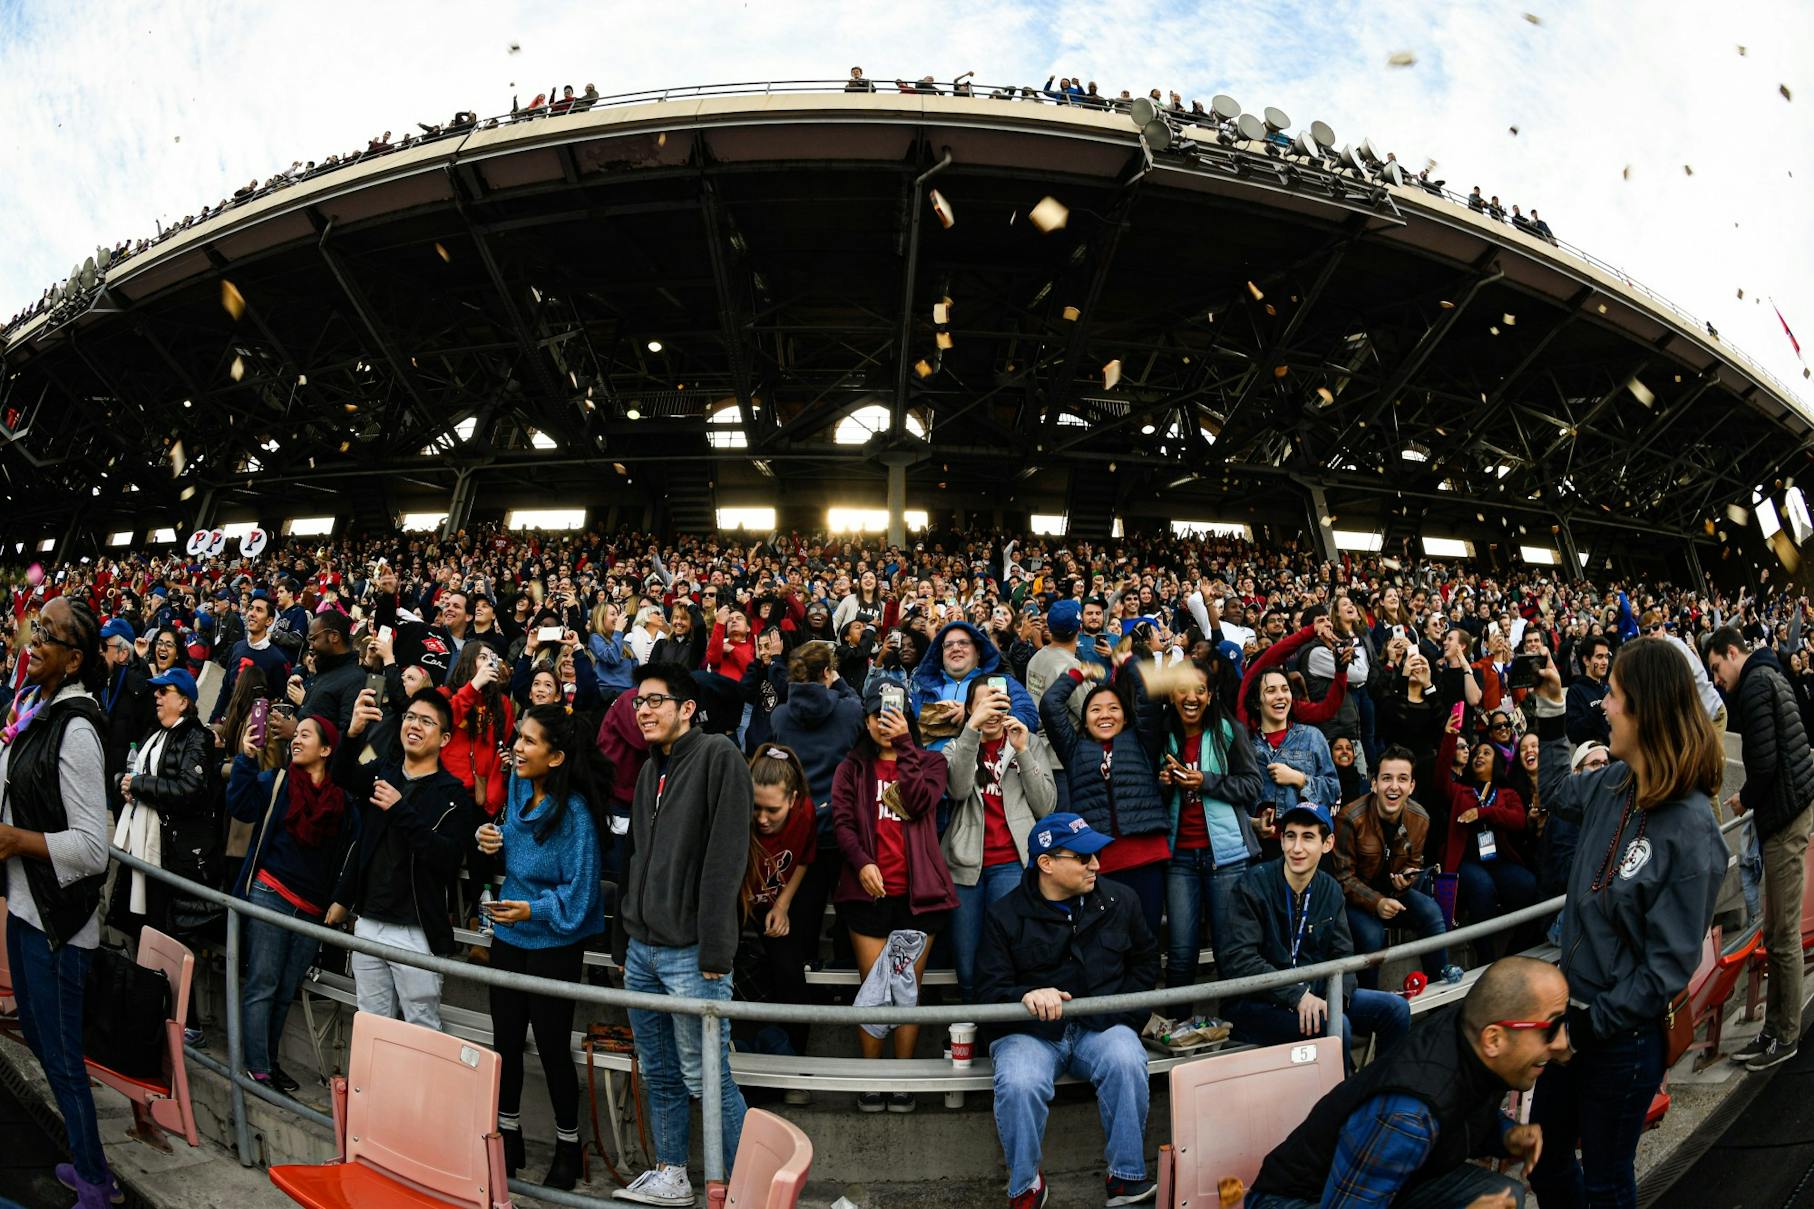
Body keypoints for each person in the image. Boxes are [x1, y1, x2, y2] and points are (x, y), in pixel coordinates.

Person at [1527, 640, 1726, 1208]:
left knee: (1609, 1182)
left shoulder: (1691, 829)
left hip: (1620, 1042)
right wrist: (1549, 708)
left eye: (1612, 696)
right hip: (1571, 1020)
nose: (1604, 707)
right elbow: (1558, 792)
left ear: (1645, 708)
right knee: (1545, 1165)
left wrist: (1587, 1030)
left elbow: (1664, 972)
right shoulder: (1613, 782)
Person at [1248, 956, 1563, 1209]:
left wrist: (1507, 1136)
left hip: (1398, 1180)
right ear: (1494, 1038)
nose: (1561, 1043)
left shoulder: (1475, 1035)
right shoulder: (1407, 1118)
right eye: (1550, 1029)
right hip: (1295, 1201)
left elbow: (1460, 1111)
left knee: (1503, 1191)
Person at [613, 663, 750, 1206]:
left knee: (707, 1076)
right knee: (661, 1072)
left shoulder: (720, 756)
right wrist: (626, 935)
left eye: (653, 701)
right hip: (643, 949)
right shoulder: (651, 768)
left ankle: (748, 1185)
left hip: (694, 953)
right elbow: (638, 857)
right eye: (637, 702)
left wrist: (717, 945)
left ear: (686, 708)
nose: (641, 710)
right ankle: (673, 1173)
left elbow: (725, 857)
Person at [975, 813, 1159, 1209]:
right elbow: (987, 992)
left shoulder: (1120, 899)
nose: (1096, 864)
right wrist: (1026, 995)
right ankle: (1026, 1187)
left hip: (1101, 1028)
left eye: (1095, 855)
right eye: (1083, 857)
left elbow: (1145, 966)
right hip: (1031, 1034)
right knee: (1019, 1081)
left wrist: (1123, 1021)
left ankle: (1126, 1180)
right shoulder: (1003, 914)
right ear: (1046, 863)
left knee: (1126, 1057)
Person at [0, 597, 119, 1208]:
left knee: (65, 1064)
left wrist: (17, 839)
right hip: (26, 914)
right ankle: (88, 1166)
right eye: (35, 624)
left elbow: (94, 848)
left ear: (74, 659)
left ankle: (97, 1184)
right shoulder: (34, 710)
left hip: (58, 929)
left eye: (51, 632)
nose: (35, 635)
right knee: (47, 1051)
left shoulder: (75, 729)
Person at [473, 704, 607, 1191]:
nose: (517, 748)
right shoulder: (516, 785)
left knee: (552, 1048)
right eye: (518, 737)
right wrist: (491, 837)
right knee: (505, 1043)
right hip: (509, 935)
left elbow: (582, 892)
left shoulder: (575, 815)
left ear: (556, 757)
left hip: (554, 943)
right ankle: (508, 1137)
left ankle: (569, 1147)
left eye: (529, 741)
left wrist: (535, 911)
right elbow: (515, 841)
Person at [832, 680, 955, 1112]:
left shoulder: (932, 761)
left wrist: (905, 743)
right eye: (877, 716)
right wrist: (864, 862)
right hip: (867, 895)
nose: (884, 723)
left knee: (906, 988)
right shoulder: (852, 767)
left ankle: (902, 1078)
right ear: (865, 720)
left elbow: (921, 802)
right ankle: (871, 1077)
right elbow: (842, 822)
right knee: (875, 989)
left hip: (919, 895)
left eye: (893, 715)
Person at [1220, 802, 1411, 1066]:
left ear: (1328, 843)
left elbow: (1343, 956)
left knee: (1395, 1009)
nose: (1296, 848)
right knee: (1336, 1025)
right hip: (1256, 1003)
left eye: (1308, 837)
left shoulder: (1330, 889)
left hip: (1316, 994)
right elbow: (1239, 961)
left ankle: (1379, 1092)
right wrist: (1297, 994)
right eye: (1290, 836)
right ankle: (1343, 1102)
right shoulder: (1253, 883)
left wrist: (1334, 999)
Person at [327, 687, 474, 1029]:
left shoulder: (453, 795)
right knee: (371, 1023)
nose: (414, 725)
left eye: (426, 721)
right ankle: (376, 1086)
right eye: (410, 717)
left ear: (445, 738)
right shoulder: (384, 772)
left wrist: (400, 810)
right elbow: (340, 775)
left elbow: (447, 858)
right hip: (370, 921)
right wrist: (352, 734)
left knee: (421, 1027)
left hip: (416, 930)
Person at [227, 715, 357, 1095]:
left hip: (312, 910)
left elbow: (351, 852)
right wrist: (246, 760)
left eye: (305, 735)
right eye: (295, 735)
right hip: (270, 895)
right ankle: (257, 1067)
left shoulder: (341, 801)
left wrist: (340, 900)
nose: (295, 740)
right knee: (263, 983)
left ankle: (267, 1061)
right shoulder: (277, 781)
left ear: (327, 749)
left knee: (284, 990)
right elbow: (242, 806)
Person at [1707, 625, 1814, 1069]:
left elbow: (1766, 762)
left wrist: (1743, 798)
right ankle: (1776, 1032)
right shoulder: (1772, 675)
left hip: (1784, 817)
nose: (1716, 680)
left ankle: (1782, 1036)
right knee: (1778, 932)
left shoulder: (1753, 683)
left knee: (1782, 935)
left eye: (1716, 667)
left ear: (1733, 653)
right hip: (1792, 809)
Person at [941, 676, 1055, 998]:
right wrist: (971, 732)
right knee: (966, 964)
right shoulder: (956, 747)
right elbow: (958, 788)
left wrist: (1022, 751)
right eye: (983, 704)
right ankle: (970, 1035)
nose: (993, 712)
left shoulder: (1027, 742)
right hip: (965, 868)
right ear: (970, 710)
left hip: (1013, 864)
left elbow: (1046, 806)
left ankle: (1000, 1034)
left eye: (998, 703)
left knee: (1009, 957)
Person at [1038, 661, 1170, 936]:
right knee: (1107, 941)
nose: (1104, 715)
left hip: (1145, 858)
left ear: (1125, 715)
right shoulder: (1074, 749)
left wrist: (1129, 665)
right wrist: (1076, 675)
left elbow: (1150, 696)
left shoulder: (1141, 740)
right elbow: (1051, 704)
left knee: (1146, 937)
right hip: (1099, 864)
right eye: (1095, 709)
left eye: (1113, 708)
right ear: (1084, 718)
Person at [1158, 657, 1264, 983]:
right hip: (1179, 858)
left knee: (1228, 949)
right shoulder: (1163, 735)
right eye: (1183, 690)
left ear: (1210, 695)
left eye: (1200, 690)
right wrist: (1163, 784)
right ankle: (1178, 1027)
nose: (1191, 698)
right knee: (1180, 951)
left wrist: (1206, 780)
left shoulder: (1228, 731)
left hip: (1227, 857)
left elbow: (1252, 785)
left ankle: (1237, 1022)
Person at [112, 668, 219, 945]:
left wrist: (138, 785)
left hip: (172, 856)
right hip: (144, 845)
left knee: (162, 939)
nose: (156, 696)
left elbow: (190, 789)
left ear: (184, 702)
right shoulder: (155, 732)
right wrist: (123, 783)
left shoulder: (197, 737)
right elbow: (135, 773)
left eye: (164, 691)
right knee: (139, 931)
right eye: (156, 691)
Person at [1332, 745, 1447, 982]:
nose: (1394, 786)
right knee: (1373, 937)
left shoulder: (1420, 818)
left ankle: (1440, 991)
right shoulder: (1350, 817)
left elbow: (1413, 863)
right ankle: (1369, 1005)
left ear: (1412, 786)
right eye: (1386, 778)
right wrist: (1377, 902)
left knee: (1432, 913)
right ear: (1374, 784)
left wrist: (1405, 882)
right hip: (1354, 901)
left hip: (1394, 894)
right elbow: (1342, 877)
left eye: (1402, 779)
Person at [1434, 712, 1535, 953]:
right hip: (1467, 863)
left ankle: (1514, 951)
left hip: (1499, 862)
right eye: (1476, 754)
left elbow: (1519, 821)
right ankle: (1486, 957)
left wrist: (1483, 813)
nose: (1479, 756)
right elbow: (1439, 780)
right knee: (1482, 885)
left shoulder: (1507, 794)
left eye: (1486, 753)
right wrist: (1450, 737)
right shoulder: (1461, 791)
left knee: (1529, 885)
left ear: (1497, 763)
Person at [741, 745, 818, 1063]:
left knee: (790, 976)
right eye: (756, 807)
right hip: (737, 906)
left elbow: (804, 859)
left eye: (773, 810)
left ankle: (794, 1065)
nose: (762, 818)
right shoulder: (737, 811)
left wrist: (783, 904)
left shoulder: (806, 813)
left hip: (775, 901)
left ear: (794, 799)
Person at [98, 617, 155, 814]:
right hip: (106, 775)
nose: (99, 651)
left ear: (123, 653)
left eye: (105, 646)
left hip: (127, 781)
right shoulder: (103, 681)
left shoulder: (137, 686)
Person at [1566, 636, 1612, 746]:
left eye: (1606, 657)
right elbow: (1573, 733)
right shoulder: (1575, 691)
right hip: (1594, 759)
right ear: (1586, 660)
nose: (1605, 662)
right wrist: (1599, 708)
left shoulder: (1609, 687)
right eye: (1599, 657)